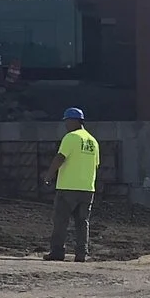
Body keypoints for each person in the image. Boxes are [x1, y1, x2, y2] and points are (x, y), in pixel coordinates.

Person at [47, 106, 100, 261]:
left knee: (61, 220)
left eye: (66, 121)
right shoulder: (93, 141)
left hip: (68, 187)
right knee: (82, 223)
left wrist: (49, 175)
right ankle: (82, 253)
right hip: (87, 189)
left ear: (73, 121)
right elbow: (96, 164)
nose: (66, 125)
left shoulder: (71, 137)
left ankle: (57, 252)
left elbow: (60, 158)